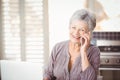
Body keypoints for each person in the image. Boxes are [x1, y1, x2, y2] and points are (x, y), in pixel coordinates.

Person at [43, 9, 100, 80]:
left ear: (89, 33)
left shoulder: (94, 51)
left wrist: (83, 52)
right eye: (74, 27)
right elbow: (48, 74)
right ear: (69, 27)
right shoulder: (57, 47)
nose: (76, 33)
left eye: (82, 30)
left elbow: (90, 79)